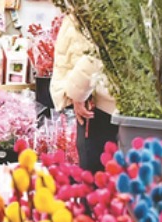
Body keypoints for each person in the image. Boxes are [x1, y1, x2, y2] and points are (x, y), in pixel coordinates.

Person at [50, 15, 117, 173]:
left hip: (97, 101)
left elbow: (96, 53)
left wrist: (78, 94)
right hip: (114, 100)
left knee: (95, 176)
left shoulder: (94, 9)